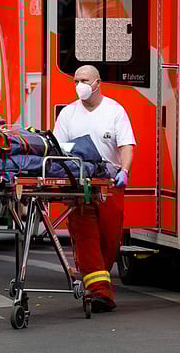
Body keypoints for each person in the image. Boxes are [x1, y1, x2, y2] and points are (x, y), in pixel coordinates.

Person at [53, 65, 136, 312]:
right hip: (79, 187)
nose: (80, 85)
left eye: (85, 80)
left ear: (98, 83)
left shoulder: (114, 111)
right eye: (76, 80)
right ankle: (100, 292)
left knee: (110, 241)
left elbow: (126, 145)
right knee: (87, 237)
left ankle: (98, 279)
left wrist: (125, 170)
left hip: (109, 184)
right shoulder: (68, 114)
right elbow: (58, 149)